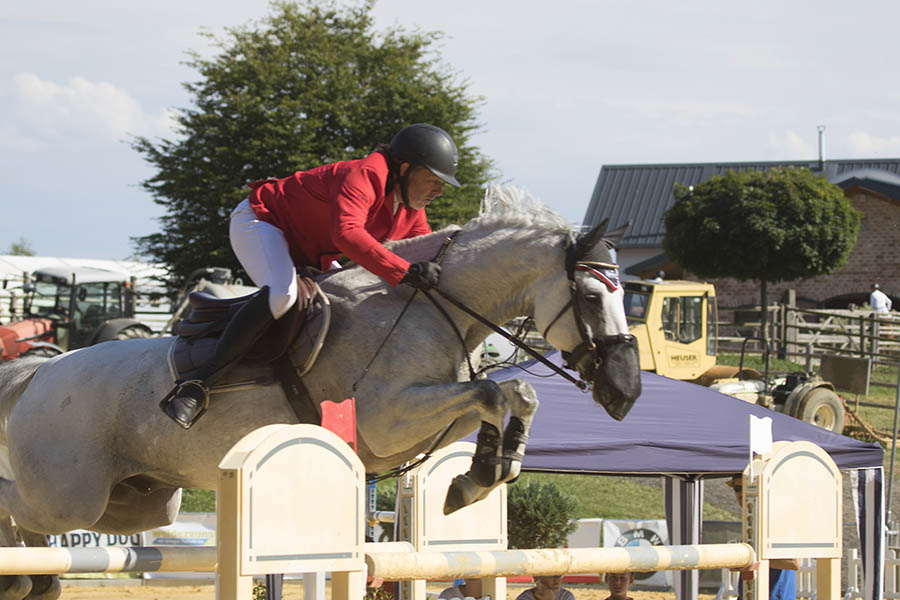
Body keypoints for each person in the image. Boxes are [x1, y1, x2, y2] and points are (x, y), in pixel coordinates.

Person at [163, 123, 461, 428]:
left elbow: (423, 249)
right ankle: (198, 385)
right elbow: (347, 235)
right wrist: (405, 271)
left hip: (309, 252)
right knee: (283, 295)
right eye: (433, 180)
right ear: (406, 169)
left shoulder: (410, 209)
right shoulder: (366, 174)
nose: (438, 191)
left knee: (349, 303)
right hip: (263, 221)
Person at [726, 475, 798, 600]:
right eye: (737, 488)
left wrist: (749, 560)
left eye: (748, 487)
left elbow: (793, 562)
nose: (742, 493)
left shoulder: (776, 519)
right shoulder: (752, 519)